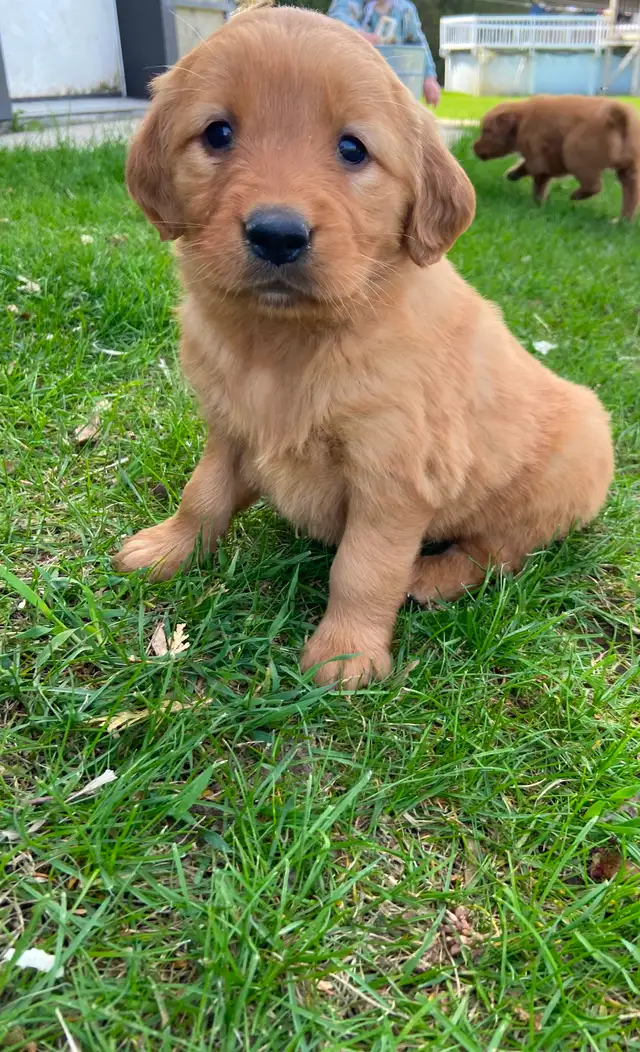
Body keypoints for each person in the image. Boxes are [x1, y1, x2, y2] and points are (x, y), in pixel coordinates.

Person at [328, 0, 441, 106]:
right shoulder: (349, 3)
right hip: (353, 87)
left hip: (395, 85)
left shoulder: (404, 10)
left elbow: (418, 46)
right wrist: (360, 36)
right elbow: (337, 22)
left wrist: (429, 78)